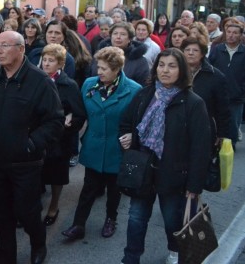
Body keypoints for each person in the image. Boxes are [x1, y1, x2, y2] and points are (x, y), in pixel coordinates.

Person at [0, 31, 65, 264]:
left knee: (27, 211)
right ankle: (5, 253)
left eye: (5, 45)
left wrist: (31, 144)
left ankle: (38, 244)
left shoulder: (40, 81)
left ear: (21, 49)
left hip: (25, 163)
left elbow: (54, 122)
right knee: (0, 211)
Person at [119, 49, 211, 264]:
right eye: (161, 65)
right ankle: (130, 258)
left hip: (174, 175)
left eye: (172, 66)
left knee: (173, 220)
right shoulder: (145, 94)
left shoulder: (193, 103)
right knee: (136, 218)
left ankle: (175, 250)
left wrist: (194, 186)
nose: (165, 70)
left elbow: (201, 147)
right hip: (142, 171)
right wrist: (127, 136)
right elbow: (126, 122)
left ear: (182, 70)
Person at [62, 47, 141, 242]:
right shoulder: (89, 84)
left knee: (114, 190)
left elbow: (140, 122)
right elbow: (80, 111)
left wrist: (133, 135)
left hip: (117, 149)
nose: (99, 72)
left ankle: (110, 219)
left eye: (104, 69)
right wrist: (72, 116)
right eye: (99, 67)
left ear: (117, 69)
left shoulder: (134, 90)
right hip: (94, 145)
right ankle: (78, 224)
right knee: (88, 188)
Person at [38, 44, 86, 227]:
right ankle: (33, 206)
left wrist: (69, 124)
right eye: (45, 60)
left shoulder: (69, 85)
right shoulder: (36, 79)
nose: (47, 64)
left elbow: (79, 114)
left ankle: (53, 206)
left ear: (61, 64)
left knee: (57, 175)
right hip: (38, 135)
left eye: (52, 61)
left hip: (59, 138)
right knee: (36, 174)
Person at [180, 37, 230, 150]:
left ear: (202, 54)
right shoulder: (175, 73)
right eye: (187, 50)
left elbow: (223, 109)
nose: (191, 53)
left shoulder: (215, 76)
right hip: (177, 127)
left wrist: (222, 134)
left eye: (195, 50)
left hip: (204, 128)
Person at [209, 22, 245, 148]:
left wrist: (241, 91)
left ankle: (230, 146)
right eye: (229, 32)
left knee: (233, 125)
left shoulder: (243, 52)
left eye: (235, 33)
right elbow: (210, 68)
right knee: (216, 121)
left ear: (241, 36)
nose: (231, 35)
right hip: (217, 94)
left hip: (236, 96)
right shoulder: (217, 50)